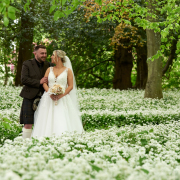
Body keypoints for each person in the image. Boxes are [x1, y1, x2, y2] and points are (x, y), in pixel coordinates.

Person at [31, 50, 83, 138]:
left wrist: (60, 95)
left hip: (63, 99)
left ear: (58, 57)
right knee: (46, 119)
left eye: (52, 55)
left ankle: (62, 138)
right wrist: (50, 93)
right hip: (48, 99)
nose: (51, 57)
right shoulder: (49, 69)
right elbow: (44, 83)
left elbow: (70, 86)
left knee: (61, 118)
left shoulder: (68, 71)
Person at [20, 45, 53, 139]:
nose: (44, 55)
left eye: (45, 53)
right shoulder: (27, 64)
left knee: (43, 123)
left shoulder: (49, 65)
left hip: (45, 97)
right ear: (35, 53)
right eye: (42, 53)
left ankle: (38, 144)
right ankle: (24, 145)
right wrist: (39, 82)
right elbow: (24, 79)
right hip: (29, 97)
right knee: (28, 124)